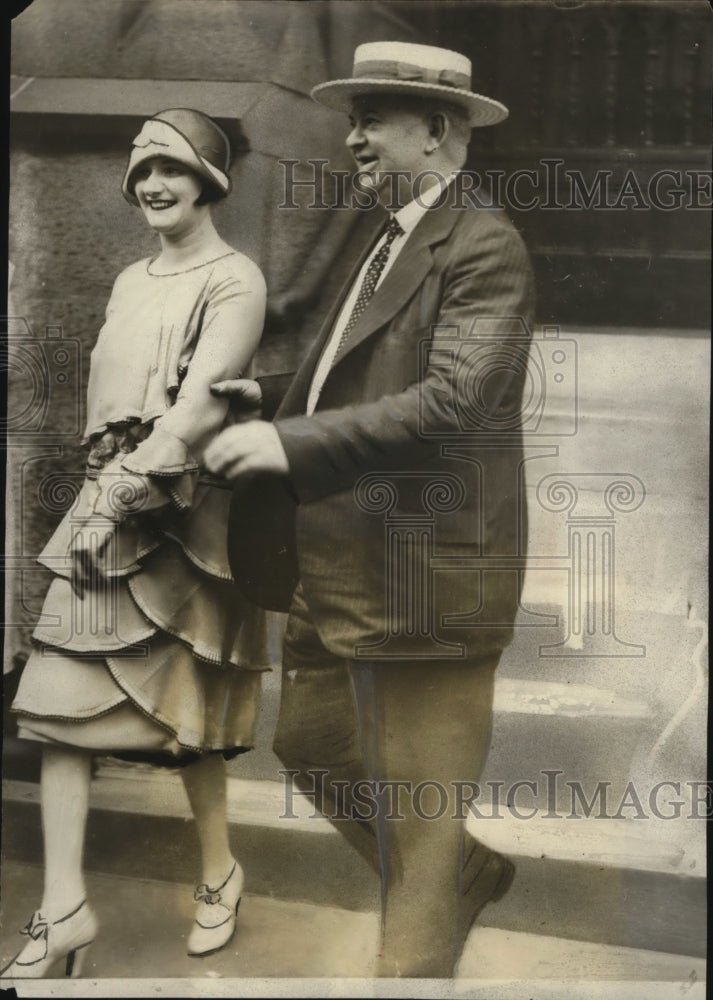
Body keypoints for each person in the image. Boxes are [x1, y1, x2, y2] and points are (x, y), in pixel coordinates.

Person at [207, 41, 536, 978]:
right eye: (351, 119)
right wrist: (268, 400)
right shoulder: (385, 231)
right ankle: (458, 878)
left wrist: (289, 445)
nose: (350, 137)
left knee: (417, 824)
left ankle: (425, 932)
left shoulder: (482, 244)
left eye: (370, 119)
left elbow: (453, 402)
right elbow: (352, 380)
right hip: (340, 564)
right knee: (309, 744)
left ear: (435, 131)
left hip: (424, 580)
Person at [2, 108, 268, 979]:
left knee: (187, 717)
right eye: (141, 172)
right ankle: (64, 907)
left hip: (183, 515)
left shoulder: (236, 279)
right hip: (108, 497)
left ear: (208, 181)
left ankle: (220, 872)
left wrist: (119, 495)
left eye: (172, 170)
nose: (152, 186)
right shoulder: (128, 278)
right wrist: (101, 490)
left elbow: (196, 405)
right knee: (56, 708)